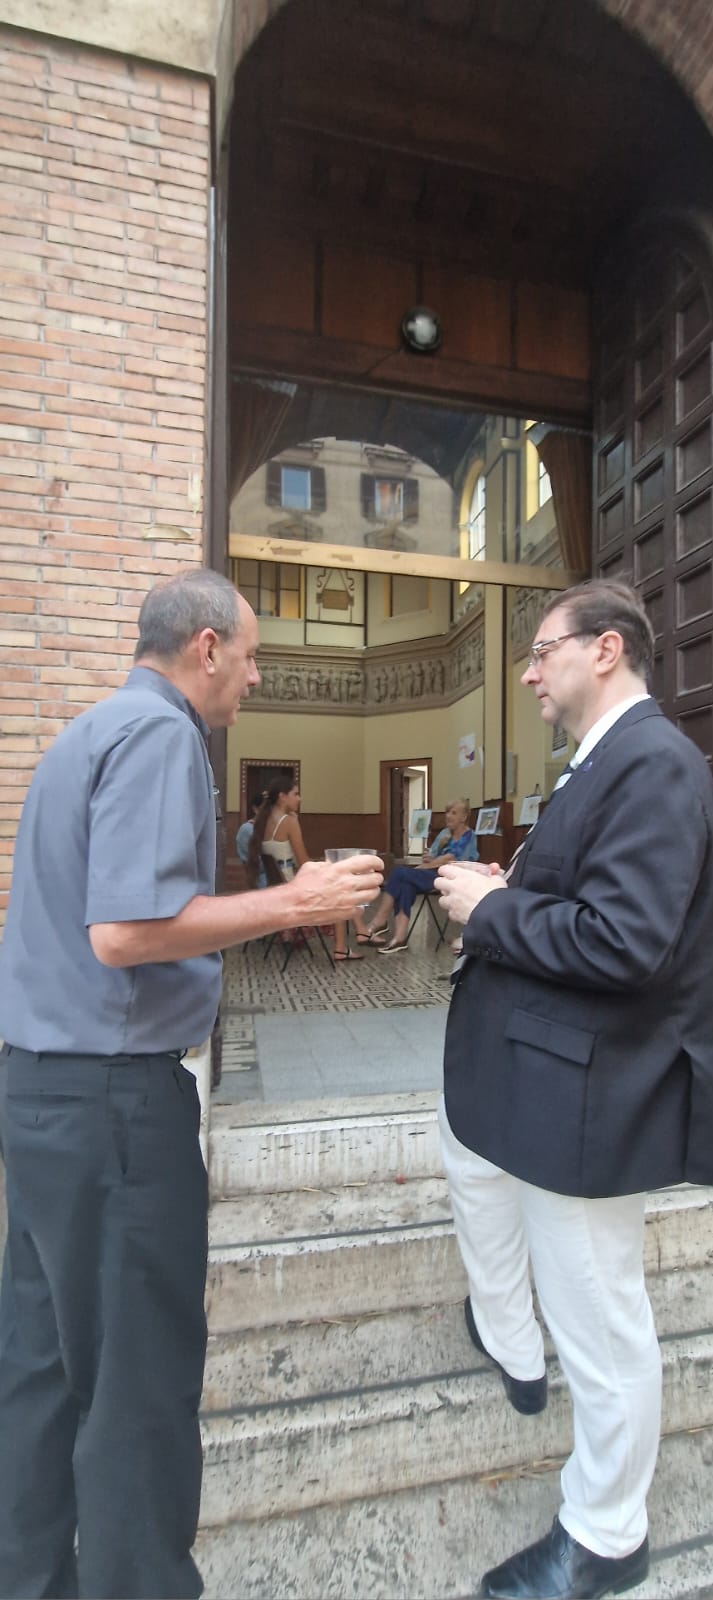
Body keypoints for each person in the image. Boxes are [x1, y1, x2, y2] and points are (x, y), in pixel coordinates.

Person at [0, 568, 383, 1600]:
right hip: (117, 1111)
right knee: (136, 1389)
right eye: (251, 655)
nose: (255, 677)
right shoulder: (166, 734)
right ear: (205, 648)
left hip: (39, 1095)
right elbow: (124, 930)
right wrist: (289, 902)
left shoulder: (81, 735)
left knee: (42, 1372)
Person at [435, 579, 713, 1600]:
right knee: (477, 1179)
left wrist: (490, 908)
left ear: (604, 650)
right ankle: (509, 1336)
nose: (527, 672)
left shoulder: (651, 763)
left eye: (542, 652)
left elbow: (625, 941)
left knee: (601, 1325)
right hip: (549, 1082)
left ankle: (607, 1533)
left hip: (595, 1095)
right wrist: (515, 893)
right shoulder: (607, 762)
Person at [246, 777, 369, 960]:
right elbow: (304, 863)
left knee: (339, 881)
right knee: (342, 890)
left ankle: (361, 931)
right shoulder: (288, 822)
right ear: (282, 797)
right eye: (295, 794)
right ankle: (343, 946)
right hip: (294, 888)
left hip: (278, 885)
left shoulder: (262, 821)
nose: (299, 798)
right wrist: (328, 865)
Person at [361, 797, 478, 953]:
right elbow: (434, 856)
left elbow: (450, 859)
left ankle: (380, 920)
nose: (448, 816)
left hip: (450, 879)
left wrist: (427, 865)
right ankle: (400, 937)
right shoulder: (444, 834)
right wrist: (429, 858)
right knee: (404, 884)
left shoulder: (469, 836)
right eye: (447, 812)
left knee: (399, 872)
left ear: (464, 816)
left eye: (454, 813)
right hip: (432, 873)